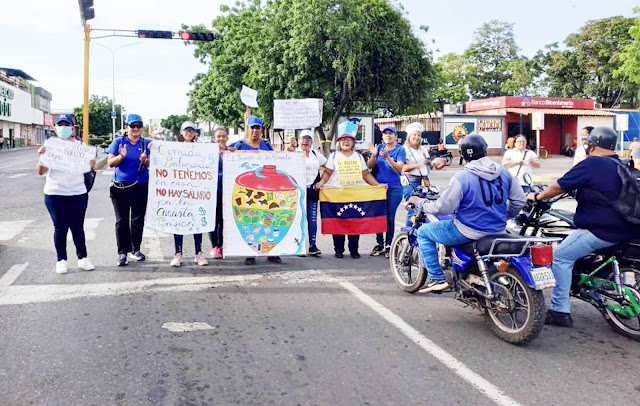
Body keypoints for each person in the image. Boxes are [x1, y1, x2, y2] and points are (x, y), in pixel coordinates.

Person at [527, 126, 640, 327]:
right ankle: (601, 293)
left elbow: (558, 186)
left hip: (602, 230)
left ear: (593, 144)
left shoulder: (592, 163)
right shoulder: (622, 164)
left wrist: (537, 196)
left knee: (561, 256)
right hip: (629, 229)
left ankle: (559, 311)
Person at [407, 134, 526, 293]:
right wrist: (502, 216)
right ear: (485, 151)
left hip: (469, 231)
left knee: (423, 232)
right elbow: (519, 201)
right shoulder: (504, 173)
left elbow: (443, 208)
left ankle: (437, 277)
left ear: (463, 155)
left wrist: (419, 202)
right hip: (498, 230)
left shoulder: (462, 177)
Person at [36, 115, 95, 274]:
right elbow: (41, 172)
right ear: (54, 128)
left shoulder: (80, 147)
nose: (63, 128)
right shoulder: (50, 146)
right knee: (60, 227)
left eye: (66, 125)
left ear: (72, 127)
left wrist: (90, 164)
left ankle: (83, 258)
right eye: (59, 125)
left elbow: (89, 169)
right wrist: (42, 157)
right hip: (55, 193)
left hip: (77, 192)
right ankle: (61, 260)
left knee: (77, 227)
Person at [315, 127, 379, 258]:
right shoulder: (333, 156)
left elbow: (365, 174)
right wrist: (321, 183)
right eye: (343, 140)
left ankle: (354, 250)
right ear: (339, 142)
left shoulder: (358, 156)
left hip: (354, 194)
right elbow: (327, 172)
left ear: (353, 142)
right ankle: (338, 250)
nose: (346, 142)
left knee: (354, 222)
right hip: (336, 194)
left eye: (349, 140)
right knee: (337, 222)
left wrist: (378, 185)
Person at [232, 115, 281, 266]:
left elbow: (278, 161)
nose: (255, 131)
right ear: (248, 129)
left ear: (261, 130)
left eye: (257, 128)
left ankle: (271, 252)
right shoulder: (239, 145)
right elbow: (225, 153)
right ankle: (250, 253)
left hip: (266, 190)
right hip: (247, 192)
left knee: (268, 219)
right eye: (252, 128)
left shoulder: (266, 145)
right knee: (250, 221)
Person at [107, 113, 151, 266]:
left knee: (138, 220)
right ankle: (122, 252)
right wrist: (121, 157)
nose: (136, 129)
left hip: (140, 187)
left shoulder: (147, 143)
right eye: (133, 126)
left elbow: (153, 164)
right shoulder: (119, 142)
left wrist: (145, 160)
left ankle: (136, 249)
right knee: (121, 221)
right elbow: (110, 163)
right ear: (127, 127)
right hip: (120, 188)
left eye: (139, 126)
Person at [169, 121, 209, 267]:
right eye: (186, 130)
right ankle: (177, 253)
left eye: (192, 130)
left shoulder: (201, 149)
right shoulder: (173, 149)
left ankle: (199, 253)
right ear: (181, 132)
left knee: (197, 222)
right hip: (179, 192)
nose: (189, 132)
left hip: (196, 191)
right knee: (178, 223)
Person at [367, 126, 406, 258]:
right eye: (385, 134)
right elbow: (369, 166)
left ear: (395, 136)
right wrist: (373, 154)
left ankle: (389, 244)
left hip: (394, 188)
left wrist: (388, 157)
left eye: (390, 134)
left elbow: (399, 168)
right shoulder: (379, 148)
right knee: (378, 215)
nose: (388, 136)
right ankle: (380, 243)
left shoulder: (400, 150)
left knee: (389, 216)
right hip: (378, 187)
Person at [298, 130, 327, 256]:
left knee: (312, 219)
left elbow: (330, 167)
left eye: (308, 139)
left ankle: (312, 245)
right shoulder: (294, 153)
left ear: (312, 142)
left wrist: (322, 181)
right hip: (298, 191)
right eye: (303, 139)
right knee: (299, 219)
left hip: (312, 191)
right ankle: (299, 246)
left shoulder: (316, 154)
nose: (305, 141)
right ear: (299, 140)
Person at [402, 122, 433, 226]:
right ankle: (407, 236)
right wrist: (418, 164)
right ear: (409, 136)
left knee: (421, 211)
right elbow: (403, 168)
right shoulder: (404, 150)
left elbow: (427, 166)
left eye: (419, 135)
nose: (417, 137)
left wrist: (434, 163)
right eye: (414, 135)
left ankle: (417, 235)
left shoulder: (423, 149)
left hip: (422, 181)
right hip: (410, 181)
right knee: (413, 210)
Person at [209, 127, 230, 259]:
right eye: (218, 137)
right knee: (213, 219)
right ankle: (214, 245)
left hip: (227, 191)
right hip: (211, 191)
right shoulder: (208, 153)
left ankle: (222, 245)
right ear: (214, 138)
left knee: (224, 220)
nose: (221, 139)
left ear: (227, 138)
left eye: (223, 136)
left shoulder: (232, 152)